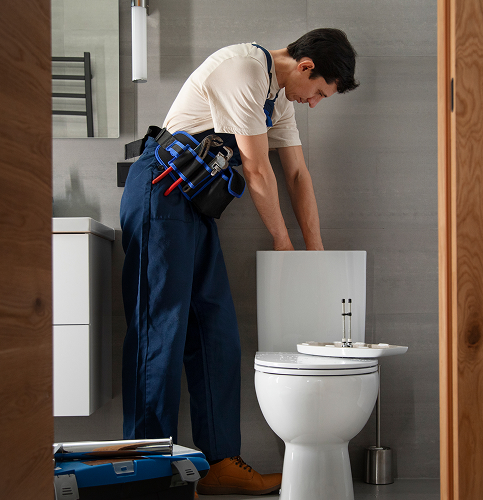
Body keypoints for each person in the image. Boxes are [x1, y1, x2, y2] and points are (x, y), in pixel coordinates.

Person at [120, 28, 359, 496]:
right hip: (160, 192)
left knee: (218, 335)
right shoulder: (244, 70)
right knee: (158, 335)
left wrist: (315, 249)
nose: (314, 103)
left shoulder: (278, 99)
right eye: (320, 93)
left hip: (195, 204)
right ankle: (147, 474)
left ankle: (219, 463)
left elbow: (296, 173)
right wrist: (282, 244)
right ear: (306, 66)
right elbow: (256, 169)